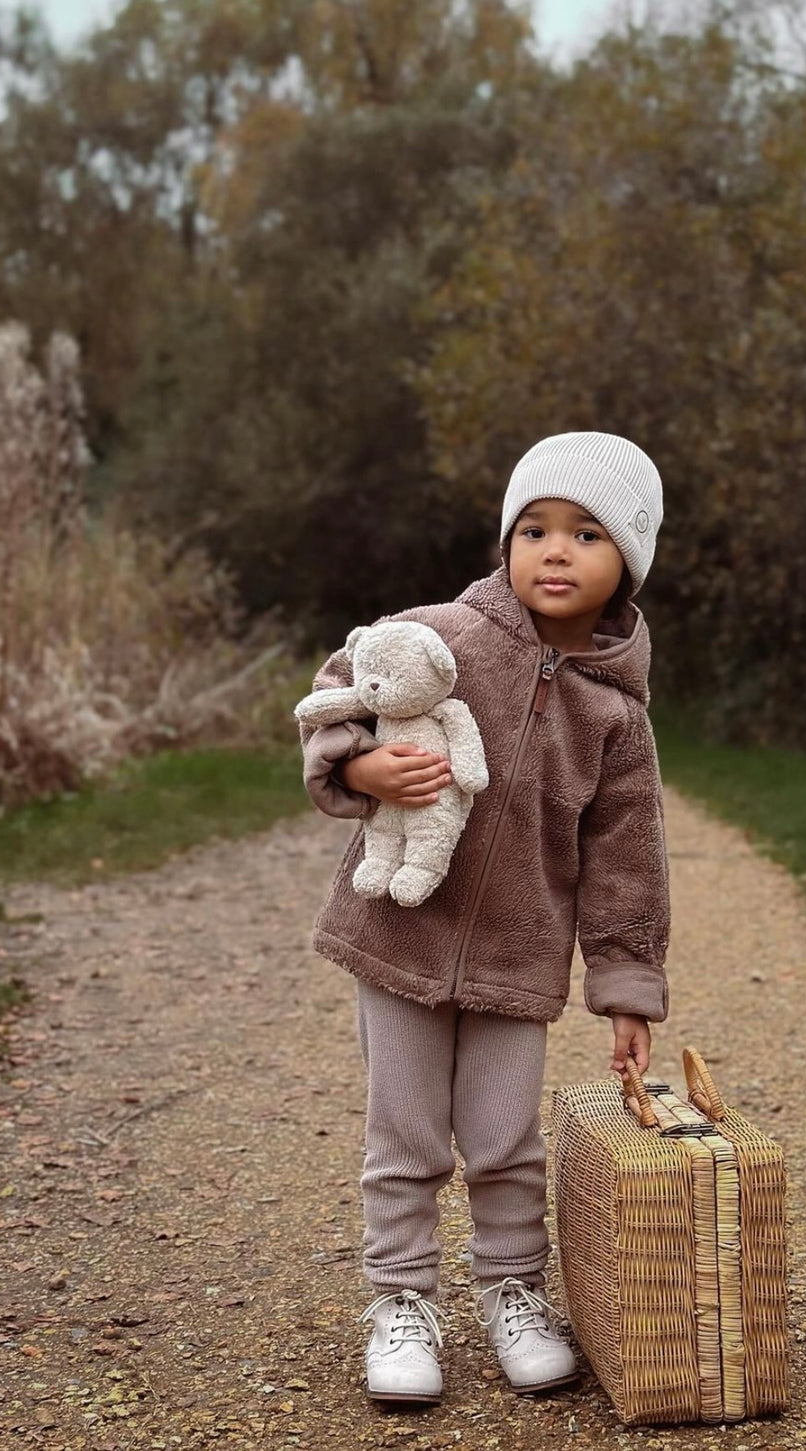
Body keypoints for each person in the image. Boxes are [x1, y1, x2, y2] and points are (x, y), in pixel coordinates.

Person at [299, 431, 671, 1405]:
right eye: (535, 528)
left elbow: (628, 859)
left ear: (626, 563)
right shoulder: (442, 636)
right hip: (401, 934)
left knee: (506, 1141)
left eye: (587, 534)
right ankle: (400, 1303)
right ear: (506, 539)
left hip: (518, 953)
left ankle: (514, 1289)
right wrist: (357, 764)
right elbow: (339, 686)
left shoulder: (615, 712)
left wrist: (627, 986)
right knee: (406, 1135)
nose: (556, 549)